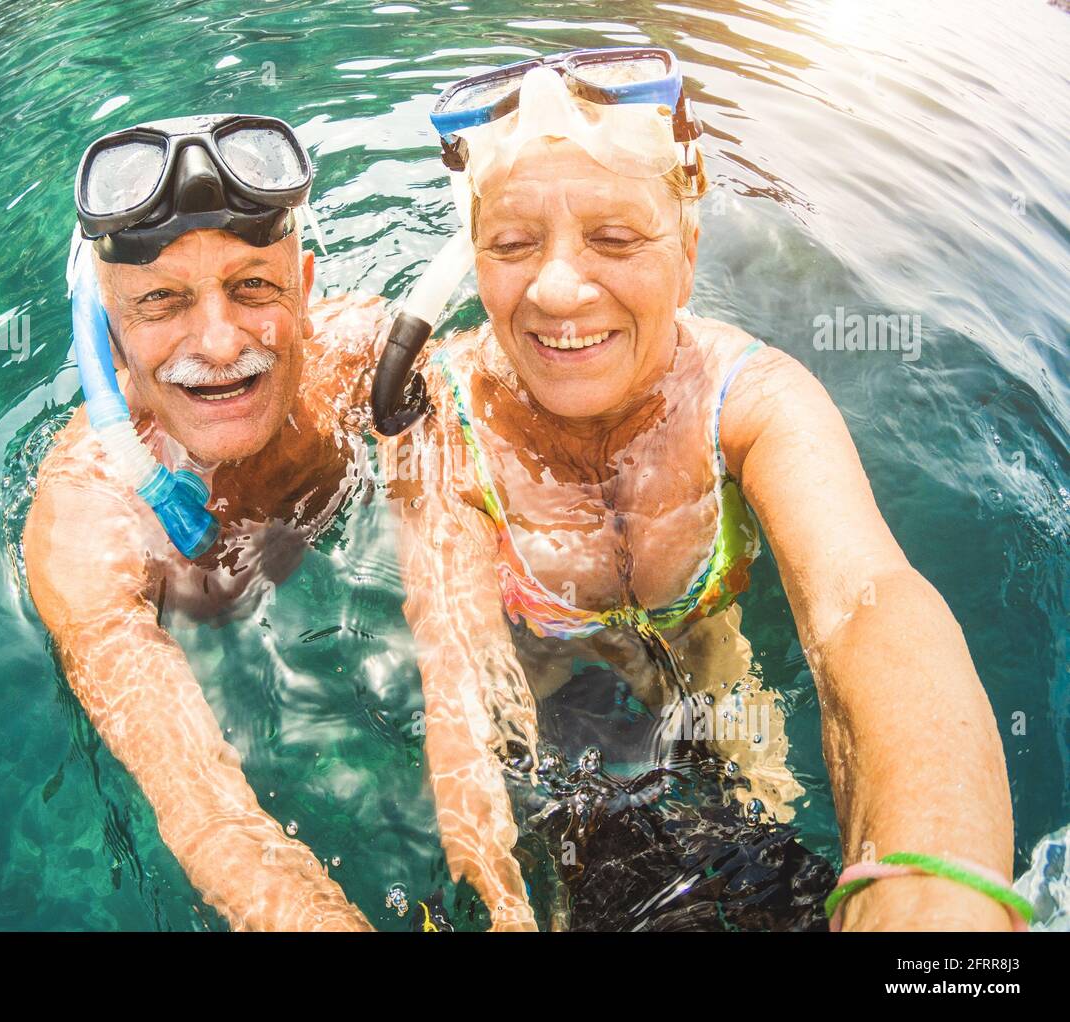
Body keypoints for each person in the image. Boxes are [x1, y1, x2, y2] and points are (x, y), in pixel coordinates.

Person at [372, 49, 1017, 931]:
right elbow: (457, 678)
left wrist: (932, 875)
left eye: (615, 238)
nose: (559, 288)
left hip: (711, 665)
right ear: (476, 260)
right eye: (514, 244)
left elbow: (865, 605)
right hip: (545, 694)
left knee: (772, 846)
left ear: (687, 255)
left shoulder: (752, 400)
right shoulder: (440, 415)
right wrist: (497, 885)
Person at [24, 114, 385, 931]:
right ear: (103, 338)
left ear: (308, 288)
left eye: (255, 285)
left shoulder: (359, 357)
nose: (220, 343)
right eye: (160, 301)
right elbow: (211, 820)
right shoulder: (91, 524)